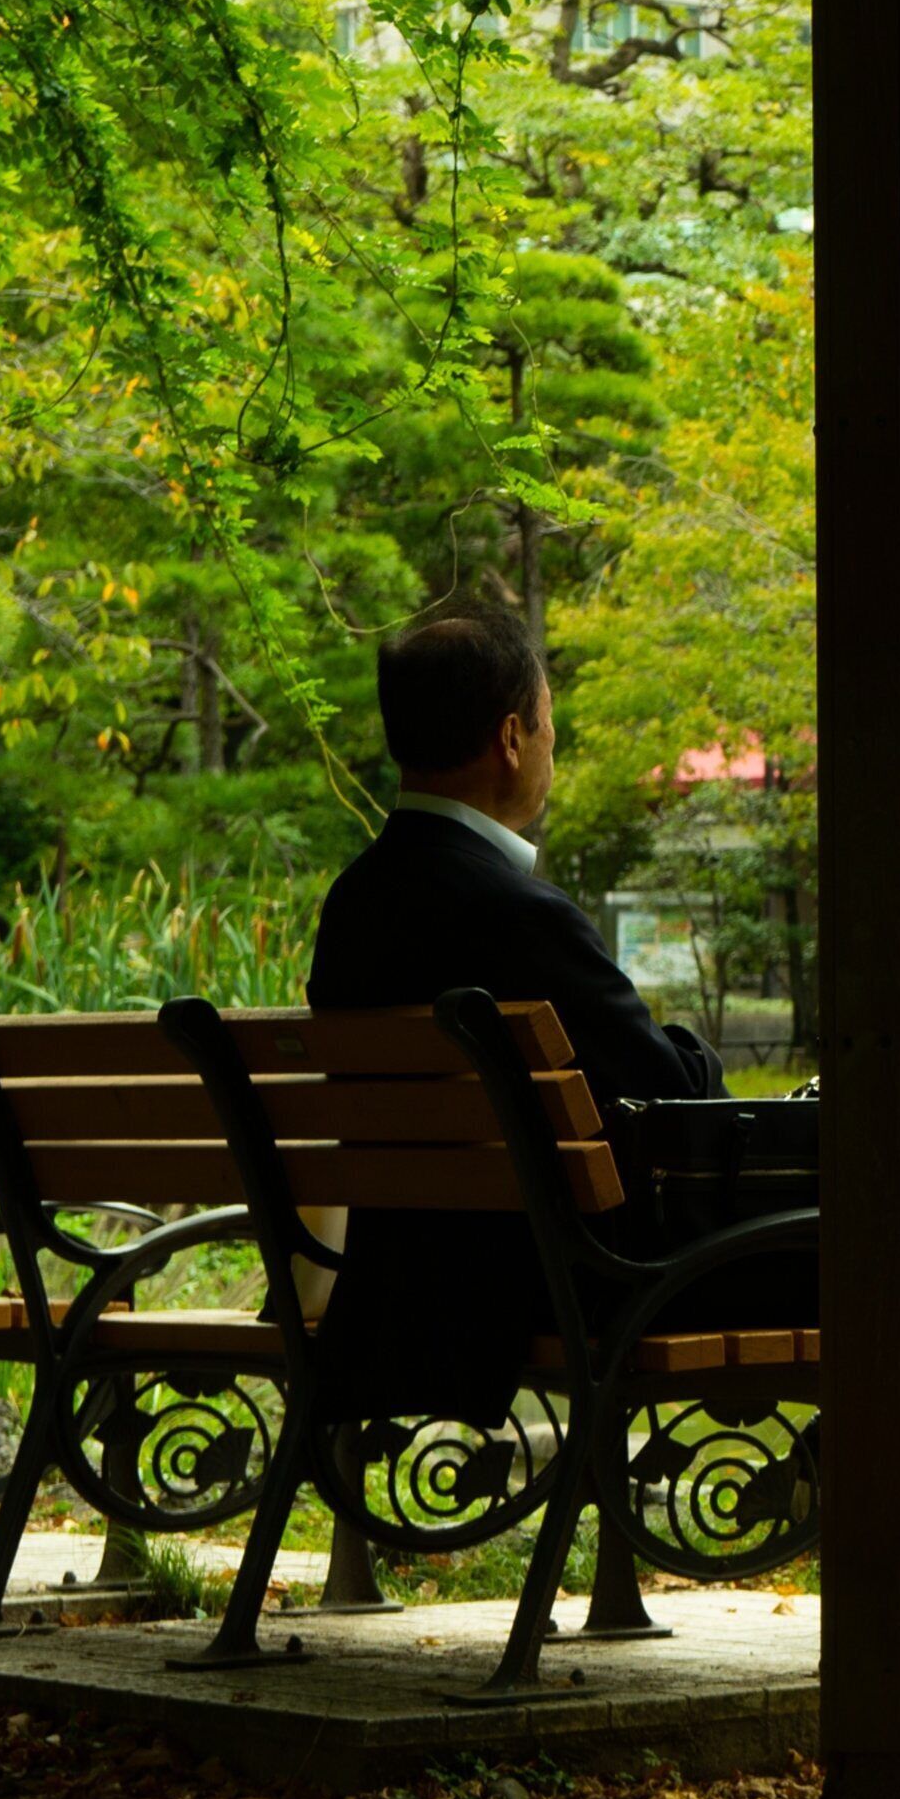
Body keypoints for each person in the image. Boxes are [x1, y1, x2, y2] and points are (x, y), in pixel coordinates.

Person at [304, 605, 729, 1420]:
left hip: (397, 1283)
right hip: (539, 1285)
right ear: (510, 738)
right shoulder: (520, 915)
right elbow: (676, 1099)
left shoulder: (353, 902)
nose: (549, 756)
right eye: (549, 734)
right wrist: (697, 1054)